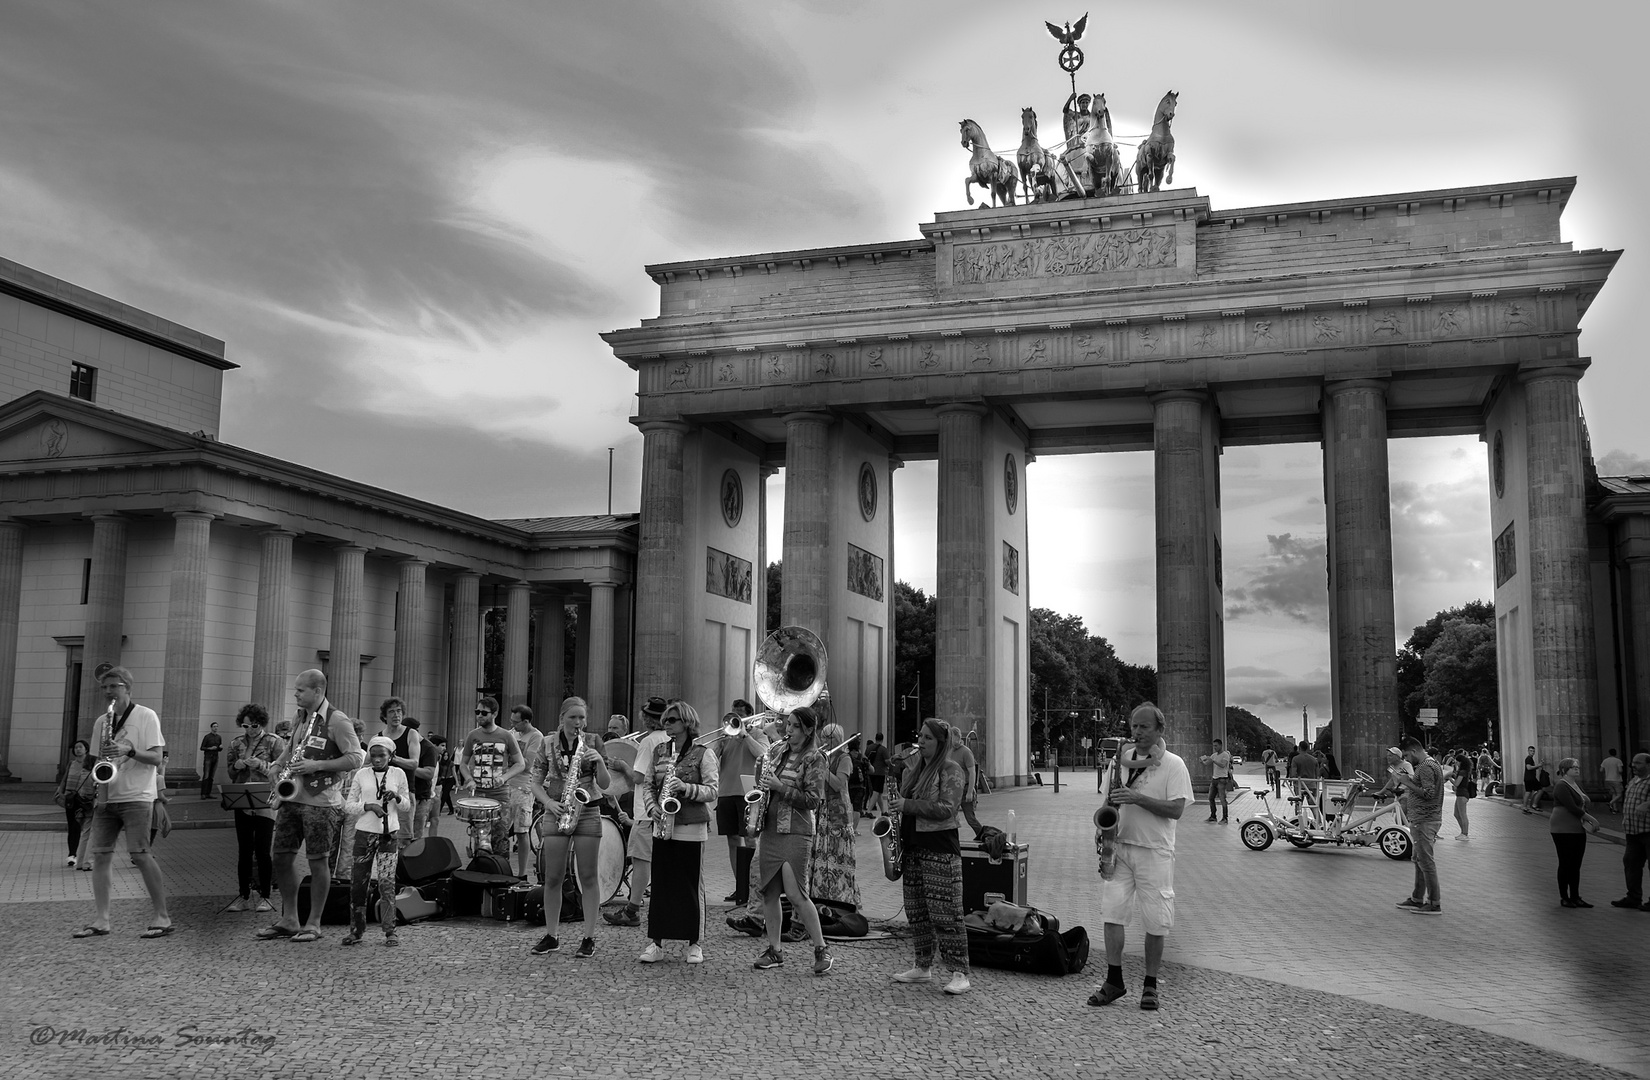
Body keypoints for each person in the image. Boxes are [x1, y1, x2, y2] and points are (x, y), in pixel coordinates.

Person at [1086, 703, 1193, 1011]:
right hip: (1118, 846)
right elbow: (1109, 801)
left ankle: (1150, 984)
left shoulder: (1173, 764)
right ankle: (1114, 980)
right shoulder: (1118, 762)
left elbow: (1176, 810)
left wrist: (1137, 798)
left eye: (1144, 727)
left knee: (1157, 920)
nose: (1137, 732)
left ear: (1160, 730)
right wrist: (1103, 831)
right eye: (1134, 726)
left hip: (1154, 851)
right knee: (1112, 914)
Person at [257, 669, 364, 944]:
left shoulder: (337, 720)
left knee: (318, 862)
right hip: (292, 798)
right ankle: (290, 919)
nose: (295, 694)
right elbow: (292, 748)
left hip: (321, 803)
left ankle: (314, 922)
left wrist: (318, 765)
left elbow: (355, 758)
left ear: (317, 691)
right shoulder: (301, 717)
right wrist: (278, 764)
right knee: (280, 856)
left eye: (300, 690)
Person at [74, 666, 174, 940]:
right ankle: (102, 920)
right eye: (105, 687)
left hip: (137, 796)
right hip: (107, 796)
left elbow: (156, 758)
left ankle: (162, 916)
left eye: (114, 686)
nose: (109, 692)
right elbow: (95, 761)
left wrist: (127, 749)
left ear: (128, 687)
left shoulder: (145, 716)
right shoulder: (101, 722)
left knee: (141, 854)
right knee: (101, 856)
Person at [750, 705, 834, 976]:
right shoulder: (777, 751)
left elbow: (813, 800)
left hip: (796, 831)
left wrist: (779, 787)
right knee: (770, 893)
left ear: (809, 730)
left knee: (796, 894)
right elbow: (763, 782)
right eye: (788, 725)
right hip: (771, 829)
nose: (789, 731)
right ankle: (774, 950)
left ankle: (822, 949)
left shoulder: (815, 758)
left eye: (796, 726)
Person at [889, 718, 970, 994]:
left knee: (946, 913)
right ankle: (922, 966)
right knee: (917, 912)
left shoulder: (951, 769)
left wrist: (907, 804)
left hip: (940, 848)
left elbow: (947, 808)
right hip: (913, 847)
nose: (920, 742)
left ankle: (960, 972)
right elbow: (901, 802)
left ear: (941, 742)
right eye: (920, 736)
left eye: (927, 738)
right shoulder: (915, 769)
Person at [528, 696, 612, 959]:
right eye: (572, 717)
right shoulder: (548, 742)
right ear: (562, 718)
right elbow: (534, 781)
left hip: (588, 810)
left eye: (581, 718)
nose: (578, 722)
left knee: (588, 877)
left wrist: (598, 760)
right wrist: (549, 803)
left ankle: (589, 937)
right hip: (557, 810)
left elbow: (606, 784)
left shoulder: (594, 742)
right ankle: (552, 935)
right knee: (552, 877)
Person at [637, 701, 719, 964]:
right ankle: (656, 941)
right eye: (666, 721)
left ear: (686, 722)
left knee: (691, 886)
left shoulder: (703, 753)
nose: (667, 724)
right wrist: (652, 809)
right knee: (661, 884)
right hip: (663, 825)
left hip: (692, 827)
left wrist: (685, 787)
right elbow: (648, 784)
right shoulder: (660, 751)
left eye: (672, 720)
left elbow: (713, 790)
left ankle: (695, 943)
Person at [604, 696, 669, 927]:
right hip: (664, 809)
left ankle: (632, 910)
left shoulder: (649, 742)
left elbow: (638, 777)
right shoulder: (670, 737)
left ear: (646, 718)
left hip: (646, 810)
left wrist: (622, 766)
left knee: (642, 860)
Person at [341, 736, 410, 946]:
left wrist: (396, 798)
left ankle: (390, 931)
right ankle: (356, 930)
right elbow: (348, 805)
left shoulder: (399, 773)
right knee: (358, 883)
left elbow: (407, 805)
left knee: (387, 883)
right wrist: (369, 806)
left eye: (382, 755)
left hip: (389, 835)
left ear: (391, 755)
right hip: (364, 834)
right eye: (374, 755)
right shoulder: (362, 774)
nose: (378, 759)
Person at [225, 704, 284, 912]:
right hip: (242, 801)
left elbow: (283, 771)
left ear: (261, 723)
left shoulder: (274, 741)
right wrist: (237, 766)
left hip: (265, 801)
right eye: (245, 725)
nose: (249, 730)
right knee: (244, 851)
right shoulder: (236, 743)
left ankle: (265, 896)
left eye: (254, 725)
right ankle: (243, 895)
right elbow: (231, 773)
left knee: (262, 850)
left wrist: (260, 765)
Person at [709, 703, 769, 908]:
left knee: (751, 840)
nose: (737, 720)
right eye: (735, 716)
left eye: (741, 716)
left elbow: (763, 754)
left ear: (750, 717)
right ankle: (740, 885)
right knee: (732, 840)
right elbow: (711, 758)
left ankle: (754, 886)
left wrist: (744, 735)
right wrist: (722, 742)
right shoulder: (725, 737)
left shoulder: (758, 734)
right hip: (726, 792)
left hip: (748, 792)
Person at [457, 696, 523, 859]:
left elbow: (520, 763)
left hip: (500, 796)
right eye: (477, 712)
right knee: (481, 841)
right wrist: (469, 779)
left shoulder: (506, 736)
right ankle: (481, 874)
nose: (479, 715)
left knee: (500, 839)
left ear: (494, 714)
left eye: (483, 713)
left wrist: (504, 777)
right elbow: (463, 764)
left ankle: (500, 875)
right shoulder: (473, 735)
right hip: (479, 797)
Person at [809, 722, 862, 914]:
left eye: (829, 737)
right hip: (823, 810)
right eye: (823, 736)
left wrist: (822, 768)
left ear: (839, 739)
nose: (825, 741)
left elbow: (839, 785)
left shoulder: (844, 757)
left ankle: (841, 899)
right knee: (822, 855)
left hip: (838, 813)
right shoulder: (824, 756)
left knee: (837, 854)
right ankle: (822, 896)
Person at [1390, 736, 1444, 915]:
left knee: (1426, 861)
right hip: (1424, 819)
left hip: (1425, 820)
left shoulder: (1426, 767)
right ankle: (1417, 898)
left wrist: (1407, 783)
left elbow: (1428, 793)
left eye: (1406, 755)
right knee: (1419, 859)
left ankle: (1434, 903)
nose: (1405, 759)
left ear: (1413, 751)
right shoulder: (1429, 764)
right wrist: (1411, 780)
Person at [1549, 757, 1599, 909]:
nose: (1577, 769)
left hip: (1577, 828)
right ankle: (1565, 897)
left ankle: (1575, 896)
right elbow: (1572, 807)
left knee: (1576, 863)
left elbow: (1584, 801)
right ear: (1564, 770)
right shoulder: (1561, 785)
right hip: (1563, 828)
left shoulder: (1575, 784)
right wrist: (1592, 820)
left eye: (1577, 766)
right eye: (1573, 767)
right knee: (1565, 862)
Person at [378, 698, 421, 849]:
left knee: (404, 839)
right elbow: (368, 763)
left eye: (399, 711)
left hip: (405, 792)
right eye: (391, 712)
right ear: (384, 716)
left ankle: (402, 870)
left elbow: (414, 763)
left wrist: (393, 758)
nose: (396, 715)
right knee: (384, 837)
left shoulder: (411, 733)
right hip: (383, 794)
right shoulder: (379, 737)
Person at [1611, 752, 1650, 910]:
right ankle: (1633, 897)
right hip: (1633, 832)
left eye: (1638, 763)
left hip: (1648, 831)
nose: (1633, 765)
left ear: (1648, 765)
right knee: (1631, 863)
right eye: (1633, 762)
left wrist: (1647, 804)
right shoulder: (1634, 780)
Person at [55, 740, 95, 867]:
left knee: (83, 826)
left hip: (85, 799)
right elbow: (65, 778)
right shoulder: (71, 763)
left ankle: (83, 855)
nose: (78, 749)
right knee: (73, 825)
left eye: (80, 747)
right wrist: (60, 791)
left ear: (86, 749)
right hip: (71, 798)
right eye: (76, 747)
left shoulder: (91, 762)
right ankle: (72, 854)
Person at [405, 720, 440, 840]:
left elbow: (429, 773)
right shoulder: (405, 744)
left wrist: (406, 767)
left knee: (414, 836)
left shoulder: (428, 747)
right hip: (402, 796)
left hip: (420, 797)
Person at [1199, 739, 1233, 824]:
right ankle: (1213, 816)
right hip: (1214, 779)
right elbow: (1207, 763)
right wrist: (1202, 761)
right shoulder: (1214, 755)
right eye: (1213, 746)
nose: (1214, 747)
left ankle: (1225, 818)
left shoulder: (1225, 755)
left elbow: (1223, 765)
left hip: (1222, 779)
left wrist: (1213, 760)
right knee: (1211, 798)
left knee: (1222, 799)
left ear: (1220, 745)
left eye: (1216, 746)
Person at [1449, 751, 1475, 840]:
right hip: (1461, 793)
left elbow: (1456, 784)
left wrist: (1449, 778)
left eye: (1457, 761)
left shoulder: (1462, 772)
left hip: (1462, 794)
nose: (1455, 763)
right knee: (1456, 814)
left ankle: (1465, 833)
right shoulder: (1464, 772)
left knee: (1462, 814)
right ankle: (1463, 832)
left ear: (1460, 762)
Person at [866, 732, 891, 818]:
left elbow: (866, 758)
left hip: (870, 772)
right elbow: (887, 761)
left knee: (879, 793)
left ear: (875, 738)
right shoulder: (883, 749)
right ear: (882, 739)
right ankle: (869, 811)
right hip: (880, 772)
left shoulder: (869, 747)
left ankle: (883, 811)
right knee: (876, 792)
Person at [199, 722, 223, 799]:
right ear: (211, 728)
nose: (216, 728)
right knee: (206, 775)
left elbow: (219, 749)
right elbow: (202, 747)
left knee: (211, 776)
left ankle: (208, 793)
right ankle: (203, 793)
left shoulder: (219, 737)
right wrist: (209, 748)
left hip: (215, 757)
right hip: (208, 757)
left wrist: (220, 747)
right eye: (214, 726)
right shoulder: (207, 737)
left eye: (217, 726)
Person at [435, 736, 457, 816]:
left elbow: (454, 773)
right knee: (447, 796)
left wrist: (457, 783)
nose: (446, 757)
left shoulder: (451, 763)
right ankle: (451, 809)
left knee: (444, 795)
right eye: (445, 755)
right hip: (442, 780)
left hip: (449, 780)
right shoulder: (440, 762)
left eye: (447, 756)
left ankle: (439, 811)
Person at [1601, 748, 1626, 814]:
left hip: (1608, 779)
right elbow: (1620, 770)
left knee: (1614, 793)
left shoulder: (1605, 760)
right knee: (1619, 794)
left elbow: (1601, 770)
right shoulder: (1618, 761)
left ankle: (1615, 809)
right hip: (1616, 779)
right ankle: (1610, 803)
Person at [1522, 746, 1542, 813]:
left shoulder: (1530, 759)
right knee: (1539, 790)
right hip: (1530, 778)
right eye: (1531, 751)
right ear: (1528, 751)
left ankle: (1525, 807)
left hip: (1529, 778)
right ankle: (1533, 805)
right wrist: (1538, 766)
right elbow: (1529, 768)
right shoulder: (1528, 759)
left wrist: (1537, 767)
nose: (1532, 752)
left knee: (1528, 792)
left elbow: (1530, 768)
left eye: (1533, 751)